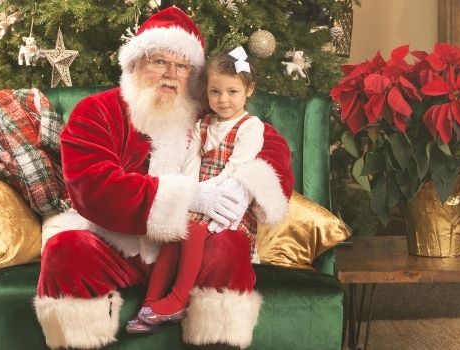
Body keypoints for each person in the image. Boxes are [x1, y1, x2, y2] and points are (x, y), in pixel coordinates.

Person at [34, 7, 293, 350]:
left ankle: (217, 341)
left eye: (182, 66)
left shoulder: (208, 110)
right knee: (65, 249)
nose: (171, 75)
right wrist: (186, 197)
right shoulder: (98, 111)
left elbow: (269, 143)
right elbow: (92, 186)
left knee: (231, 247)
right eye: (159, 62)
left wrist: (243, 185)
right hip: (119, 245)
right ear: (135, 63)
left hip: (192, 247)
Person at [126, 46, 287, 335]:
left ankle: (176, 300)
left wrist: (208, 201)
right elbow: (191, 162)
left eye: (232, 92)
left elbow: (236, 170)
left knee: (192, 232)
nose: (223, 100)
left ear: (249, 89)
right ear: (207, 91)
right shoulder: (203, 124)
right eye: (215, 92)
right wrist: (191, 196)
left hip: (228, 208)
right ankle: (150, 303)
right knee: (174, 232)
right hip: (202, 201)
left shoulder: (250, 127)